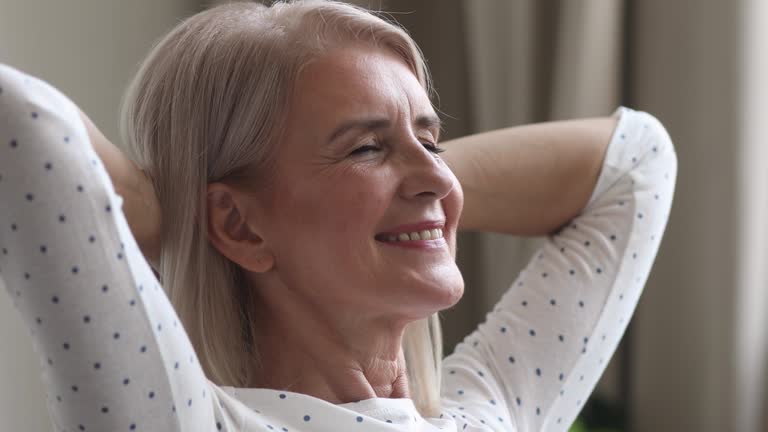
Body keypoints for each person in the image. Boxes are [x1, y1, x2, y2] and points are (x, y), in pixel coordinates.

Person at [0, 1, 677, 430]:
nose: (439, 173)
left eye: (430, 137)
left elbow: (637, 162)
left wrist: (416, 190)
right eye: (366, 146)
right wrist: (173, 211)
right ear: (239, 226)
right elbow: (21, 125)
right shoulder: (188, 421)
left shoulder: (496, 411)